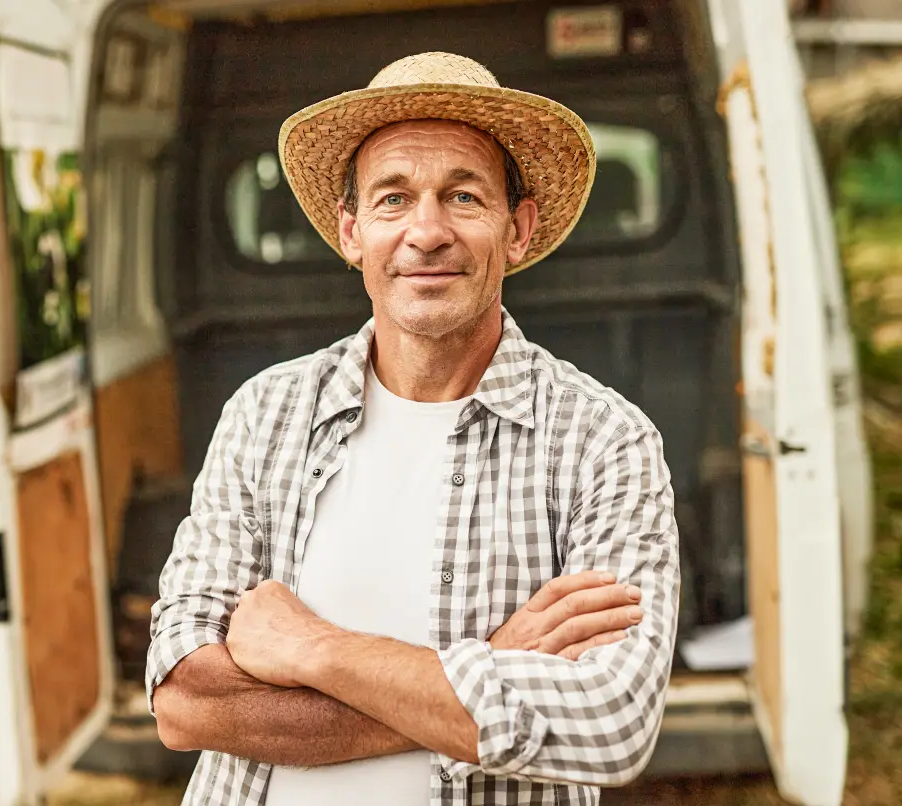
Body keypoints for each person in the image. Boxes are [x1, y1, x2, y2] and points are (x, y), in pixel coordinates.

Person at [146, 52, 680, 806]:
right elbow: (184, 702)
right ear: (351, 232)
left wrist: (311, 648)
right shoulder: (264, 414)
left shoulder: (603, 442)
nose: (425, 232)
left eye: (463, 197)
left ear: (518, 229)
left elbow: (612, 721)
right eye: (393, 200)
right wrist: (488, 667)